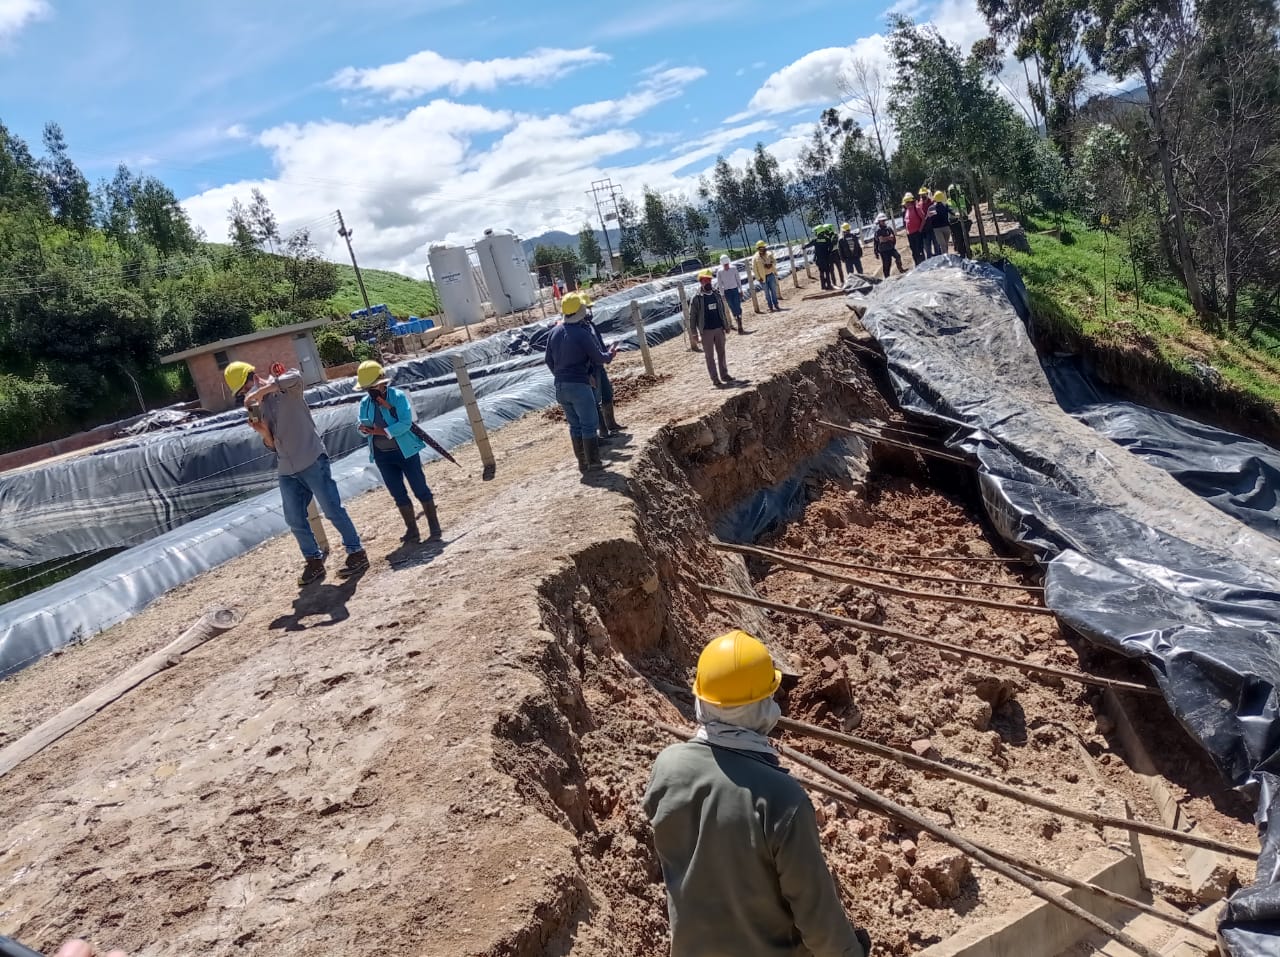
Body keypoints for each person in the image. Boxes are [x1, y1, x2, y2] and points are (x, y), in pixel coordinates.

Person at [644, 630, 872, 957]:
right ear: (760, 708)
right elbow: (818, 920)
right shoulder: (782, 799)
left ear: (701, 699)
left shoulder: (667, 767)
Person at [224, 360, 368, 586]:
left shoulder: (286, 388)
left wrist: (260, 392)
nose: (245, 394)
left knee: (332, 509)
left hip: (311, 459)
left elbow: (296, 377)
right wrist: (264, 433)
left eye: (244, 388)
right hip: (287, 468)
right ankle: (313, 561)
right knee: (294, 518)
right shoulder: (257, 407)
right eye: (242, 393)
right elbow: (272, 445)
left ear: (253, 377)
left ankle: (357, 552)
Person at [354, 361, 442, 544]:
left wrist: (382, 431)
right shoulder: (365, 403)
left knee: (420, 488)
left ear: (382, 383)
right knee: (397, 493)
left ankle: (434, 526)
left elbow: (405, 423)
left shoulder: (398, 397)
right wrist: (363, 429)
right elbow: (361, 424)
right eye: (367, 388)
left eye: (372, 387)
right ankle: (412, 530)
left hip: (406, 452)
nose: (370, 391)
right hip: (382, 456)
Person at [545, 291, 617, 473]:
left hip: (561, 387)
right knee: (589, 424)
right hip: (579, 385)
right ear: (580, 311)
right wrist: (610, 354)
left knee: (575, 425)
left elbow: (548, 360)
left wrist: (560, 375)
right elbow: (598, 358)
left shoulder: (554, 332)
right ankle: (594, 462)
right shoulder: (581, 333)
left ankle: (583, 464)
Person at [581, 293, 626, 441]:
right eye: (587, 308)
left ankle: (611, 424)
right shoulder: (581, 329)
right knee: (596, 400)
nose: (589, 311)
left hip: (599, 365)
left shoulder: (590, 325)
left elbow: (598, 344)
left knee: (607, 393)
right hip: (592, 368)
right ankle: (603, 430)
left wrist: (607, 352)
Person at [688, 270, 736, 388]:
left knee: (721, 353)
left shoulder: (716, 294)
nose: (708, 282)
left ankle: (724, 375)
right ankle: (715, 379)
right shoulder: (696, 298)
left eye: (709, 279)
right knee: (709, 356)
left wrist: (726, 325)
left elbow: (722, 311)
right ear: (701, 282)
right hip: (706, 332)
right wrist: (694, 333)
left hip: (719, 329)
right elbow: (692, 317)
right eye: (705, 280)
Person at [714, 254, 746, 333]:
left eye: (727, 264)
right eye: (725, 265)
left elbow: (738, 279)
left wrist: (740, 290)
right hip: (727, 291)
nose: (726, 266)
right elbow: (720, 284)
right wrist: (722, 294)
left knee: (737, 305)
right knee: (732, 306)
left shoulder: (733, 269)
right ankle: (737, 319)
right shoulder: (720, 272)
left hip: (735, 290)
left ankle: (739, 320)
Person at [804, 225, 841, 290]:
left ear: (818, 232)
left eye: (815, 232)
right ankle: (829, 285)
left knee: (821, 272)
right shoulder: (827, 239)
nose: (815, 233)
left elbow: (808, 245)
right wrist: (828, 252)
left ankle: (823, 286)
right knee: (827, 272)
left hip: (819, 259)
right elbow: (831, 247)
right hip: (826, 258)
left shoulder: (815, 240)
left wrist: (803, 247)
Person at [753, 241, 781, 312]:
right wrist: (758, 278)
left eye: (764, 247)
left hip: (771, 275)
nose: (764, 248)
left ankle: (776, 304)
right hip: (763, 278)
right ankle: (770, 306)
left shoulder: (769, 254)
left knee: (773, 291)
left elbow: (774, 261)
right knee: (767, 293)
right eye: (762, 247)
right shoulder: (755, 258)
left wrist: (771, 264)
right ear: (759, 248)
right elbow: (754, 269)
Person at [902, 193, 928, 265]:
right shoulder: (906, 211)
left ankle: (923, 265)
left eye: (906, 202)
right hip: (910, 235)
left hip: (917, 233)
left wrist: (920, 230)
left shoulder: (917, 208)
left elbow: (923, 219)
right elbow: (906, 222)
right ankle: (917, 264)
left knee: (919, 250)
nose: (905, 204)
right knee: (914, 251)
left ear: (909, 202)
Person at [947, 184, 971, 258]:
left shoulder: (963, 198)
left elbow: (969, 208)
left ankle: (968, 253)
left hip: (964, 220)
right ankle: (961, 254)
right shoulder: (948, 201)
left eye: (954, 191)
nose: (953, 193)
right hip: (954, 223)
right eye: (951, 192)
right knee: (958, 239)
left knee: (965, 237)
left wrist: (964, 214)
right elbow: (949, 210)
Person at [929, 190, 952, 255]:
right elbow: (930, 218)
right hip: (937, 229)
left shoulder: (945, 206)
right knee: (943, 244)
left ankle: (946, 255)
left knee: (945, 244)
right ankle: (945, 257)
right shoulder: (932, 208)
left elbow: (950, 210)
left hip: (945, 227)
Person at [918, 187, 939, 257]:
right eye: (921, 195)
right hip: (925, 230)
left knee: (937, 246)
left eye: (924, 194)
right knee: (927, 248)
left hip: (934, 228)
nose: (922, 196)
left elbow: (937, 214)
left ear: (927, 194)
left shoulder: (933, 203)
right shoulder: (919, 205)